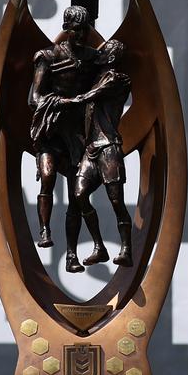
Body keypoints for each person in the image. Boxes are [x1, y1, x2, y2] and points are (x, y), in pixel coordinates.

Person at [28, 4, 104, 272]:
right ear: (67, 30)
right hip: (51, 129)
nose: (81, 35)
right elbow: (34, 98)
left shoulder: (92, 58)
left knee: (77, 195)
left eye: (84, 30)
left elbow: (112, 68)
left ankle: (72, 255)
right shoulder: (47, 57)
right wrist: (62, 101)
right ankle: (45, 230)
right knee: (47, 177)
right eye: (76, 30)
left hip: (76, 135)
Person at [69, 38, 133, 267]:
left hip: (109, 147)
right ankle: (99, 247)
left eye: (103, 51)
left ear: (112, 56)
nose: (100, 53)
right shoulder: (95, 77)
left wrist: (65, 100)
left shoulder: (117, 79)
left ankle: (126, 248)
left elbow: (91, 96)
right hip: (91, 149)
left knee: (116, 201)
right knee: (79, 195)